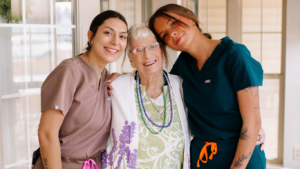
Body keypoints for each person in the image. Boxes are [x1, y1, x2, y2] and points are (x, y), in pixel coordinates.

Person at [146, 4, 266, 169]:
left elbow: (252, 121)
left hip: (243, 158)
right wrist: (121, 79)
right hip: (202, 158)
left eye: (173, 23)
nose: (171, 33)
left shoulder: (234, 55)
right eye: (164, 35)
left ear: (189, 16)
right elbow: (153, 87)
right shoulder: (182, 66)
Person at [32, 10, 128, 169]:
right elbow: (47, 134)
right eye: (108, 33)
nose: (115, 41)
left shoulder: (105, 76)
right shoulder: (70, 71)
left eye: (122, 36)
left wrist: (123, 80)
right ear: (91, 36)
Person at [102, 24, 190, 169]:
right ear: (131, 59)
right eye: (139, 50)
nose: (147, 55)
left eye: (153, 46)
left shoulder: (181, 86)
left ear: (162, 50)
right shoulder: (115, 88)